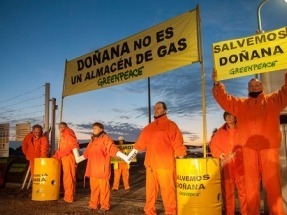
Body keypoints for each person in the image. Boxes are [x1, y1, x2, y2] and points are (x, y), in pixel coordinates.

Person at [212, 69, 287, 215]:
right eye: (251, 86)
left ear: (262, 88)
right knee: (251, 189)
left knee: (273, 188)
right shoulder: (241, 104)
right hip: (248, 150)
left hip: (269, 148)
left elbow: (286, 92)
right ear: (247, 89)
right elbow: (225, 100)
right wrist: (217, 83)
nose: (254, 88)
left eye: (257, 85)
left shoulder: (274, 100)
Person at [126, 101, 187, 215]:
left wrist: (181, 158)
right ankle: (149, 211)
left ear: (165, 110)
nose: (156, 109)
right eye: (155, 108)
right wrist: (128, 158)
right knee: (150, 192)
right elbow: (139, 145)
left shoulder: (171, 125)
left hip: (165, 165)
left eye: (159, 108)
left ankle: (170, 212)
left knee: (168, 191)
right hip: (151, 165)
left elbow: (177, 143)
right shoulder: (149, 128)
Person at [77, 122, 129, 214]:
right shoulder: (92, 141)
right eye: (93, 128)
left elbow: (112, 149)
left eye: (96, 128)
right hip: (93, 170)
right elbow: (86, 153)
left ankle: (104, 206)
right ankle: (93, 205)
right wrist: (76, 159)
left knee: (104, 190)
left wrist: (125, 157)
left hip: (102, 170)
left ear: (101, 129)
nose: (94, 130)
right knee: (94, 189)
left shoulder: (106, 139)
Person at [210, 112, 247, 215]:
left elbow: (248, 144)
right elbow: (212, 145)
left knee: (244, 195)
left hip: (242, 168)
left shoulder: (243, 130)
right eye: (226, 116)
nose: (229, 118)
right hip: (227, 169)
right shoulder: (219, 133)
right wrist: (218, 153)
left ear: (235, 117)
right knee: (228, 196)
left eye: (231, 116)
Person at [53, 122, 79, 203]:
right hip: (66, 157)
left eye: (61, 127)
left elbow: (73, 144)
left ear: (65, 127)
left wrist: (58, 155)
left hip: (68, 157)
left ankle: (68, 198)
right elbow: (63, 147)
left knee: (68, 177)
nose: (60, 128)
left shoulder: (67, 132)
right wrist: (56, 155)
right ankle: (69, 196)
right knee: (69, 177)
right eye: (59, 127)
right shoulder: (64, 134)